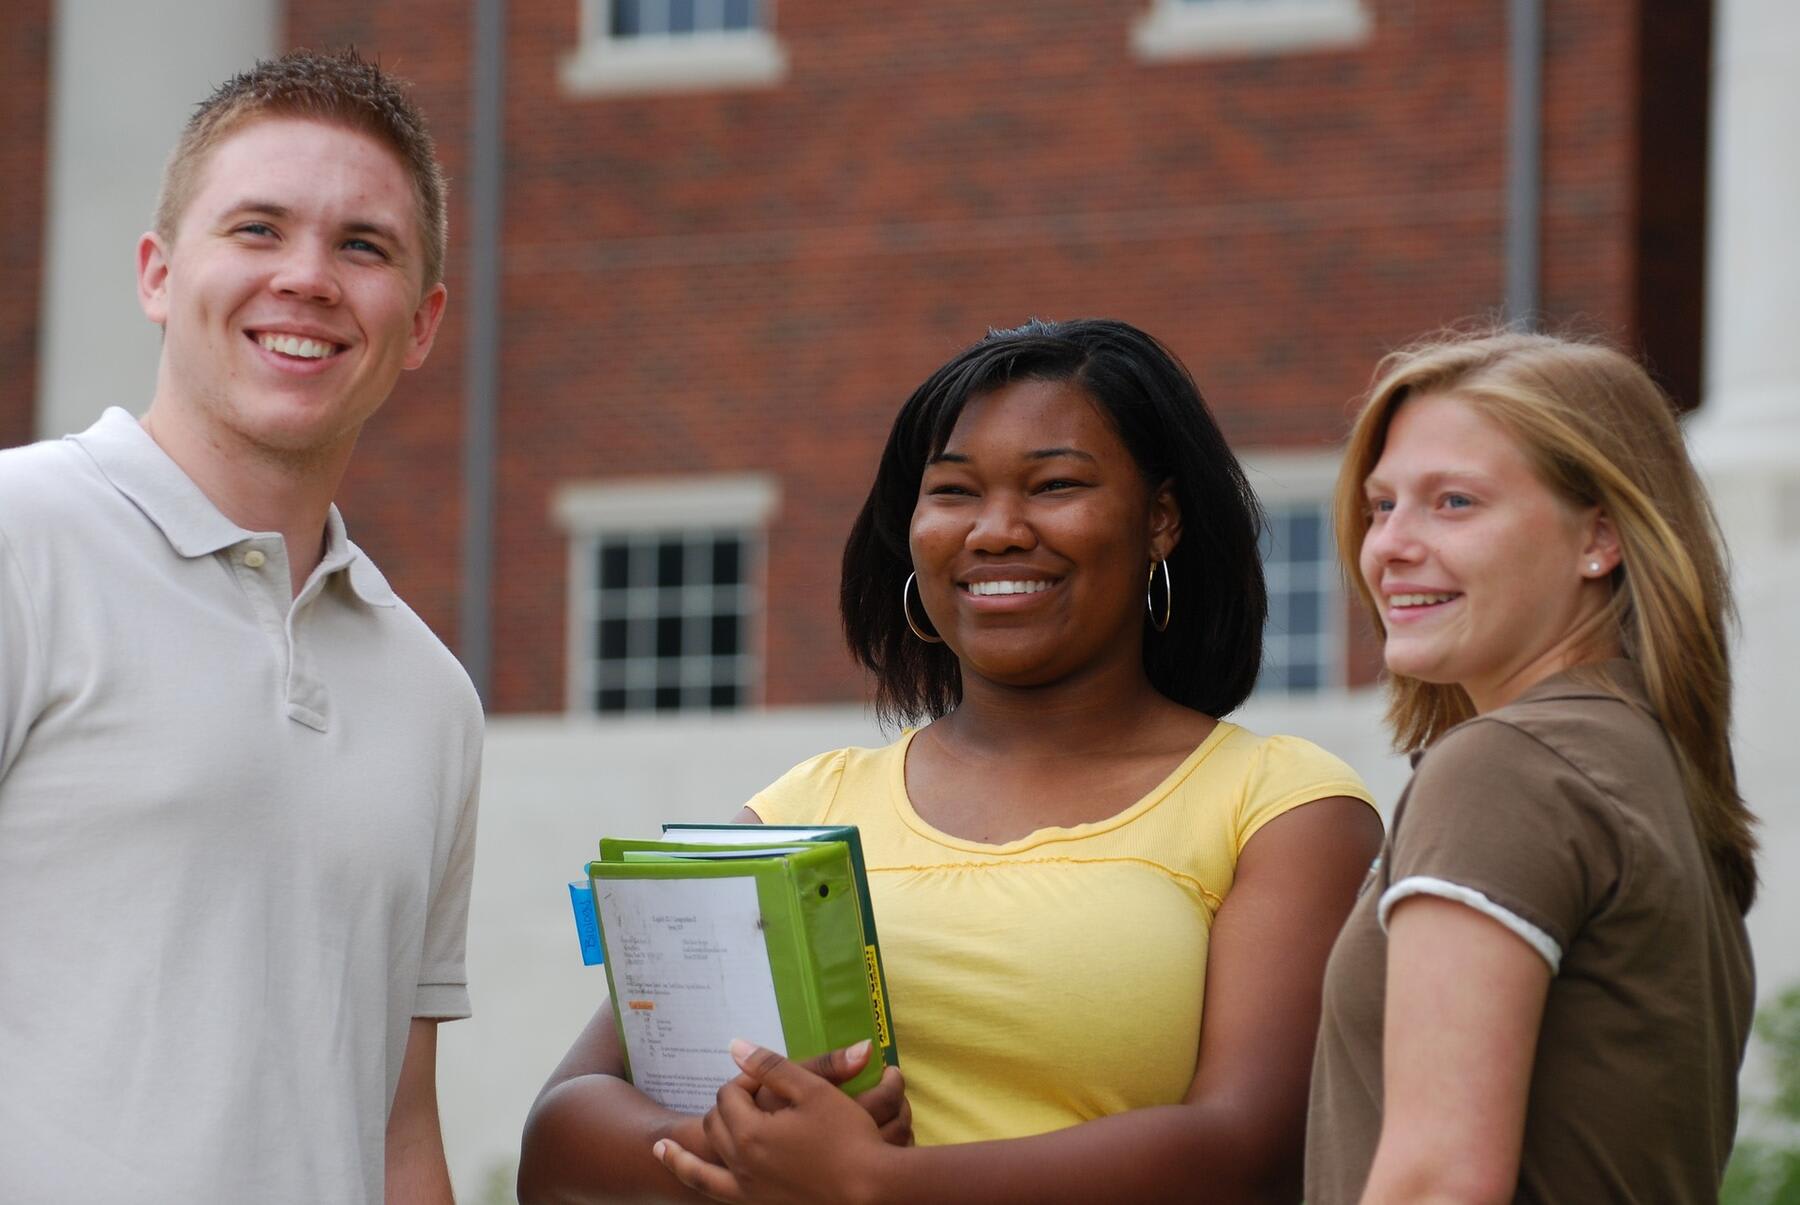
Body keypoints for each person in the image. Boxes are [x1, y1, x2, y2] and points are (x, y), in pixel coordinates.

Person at [519, 318, 1382, 1204]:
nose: (997, 530)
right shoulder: (805, 806)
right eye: (955, 492)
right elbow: (560, 1135)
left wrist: (874, 1183)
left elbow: (1251, 1149)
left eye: (1056, 485)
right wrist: (738, 1148)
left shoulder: (1281, 805)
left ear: (1160, 519)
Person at [0, 50, 479, 1203]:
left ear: (417, 325)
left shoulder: (433, 695)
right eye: (257, 229)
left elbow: (398, 1126)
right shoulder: (21, 540)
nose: (307, 278)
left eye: (361, 245)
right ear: (160, 273)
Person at [1305, 331, 1758, 1203]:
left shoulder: (1507, 769)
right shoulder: (1649, 765)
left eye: (1455, 502)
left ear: (1600, 536)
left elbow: (1438, 1181)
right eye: (1381, 505)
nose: (1388, 545)